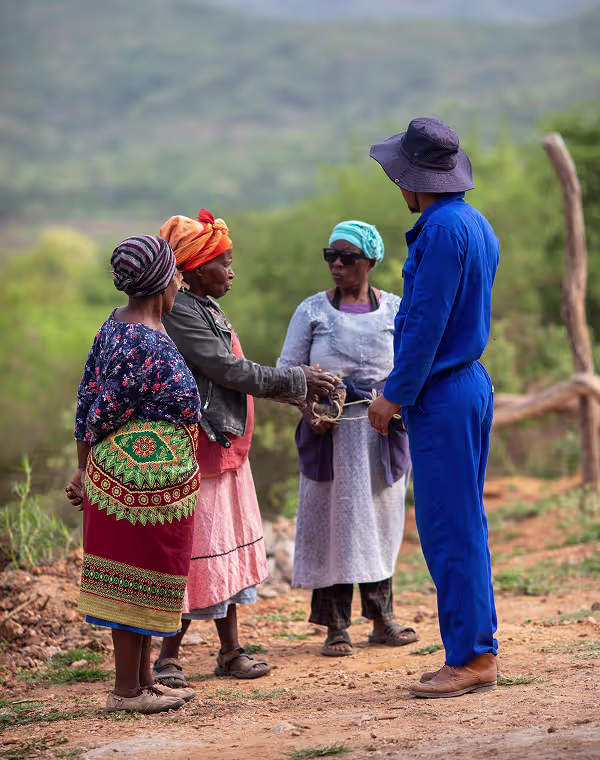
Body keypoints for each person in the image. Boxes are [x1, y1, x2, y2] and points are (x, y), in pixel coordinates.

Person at [152, 210, 336, 685]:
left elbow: (238, 369)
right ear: (194, 269)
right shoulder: (181, 313)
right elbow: (227, 370)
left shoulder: (203, 306)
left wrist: (297, 395)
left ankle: (231, 652)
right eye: (224, 263)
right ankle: (168, 657)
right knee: (197, 549)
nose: (232, 272)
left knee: (225, 546)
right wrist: (297, 379)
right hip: (203, 448)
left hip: (226, 446)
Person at [368, 118, 500, 699]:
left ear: (413, 180)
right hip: (467, 383)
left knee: (448, 526)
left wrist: (393, 393)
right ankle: (476, 648)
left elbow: (425, 325)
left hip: (442, 392)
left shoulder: (440, 231)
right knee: (465, 521)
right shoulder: (475, 223)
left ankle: (471, 657)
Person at [66, 236, 203, 714]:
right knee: (133, 576)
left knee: (146, 574)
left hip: (140, 482)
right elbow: (100, 409)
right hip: (133, 483)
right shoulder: (139, 340)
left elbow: (86, 398)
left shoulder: (123, 326)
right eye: (177, 274)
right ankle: (126, 690)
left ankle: (144, 682)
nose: (182, 282)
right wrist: (85, 470)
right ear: (160, 282)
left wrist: (84, 467)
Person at [277, 220, 417, 657]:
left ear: (370, 262)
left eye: (347, 258)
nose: (336, 265)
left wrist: (394, 403)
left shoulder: (395, 309)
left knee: (380, 522)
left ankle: (381, 619)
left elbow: (411, 365)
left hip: (380, 434)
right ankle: (335, 626)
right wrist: (309, 411)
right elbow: (287, 372)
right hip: (329, 434)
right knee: (334, 525)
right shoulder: (313, 311)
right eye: (331, 256)